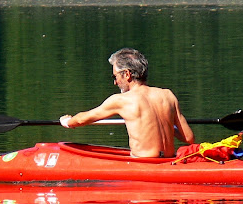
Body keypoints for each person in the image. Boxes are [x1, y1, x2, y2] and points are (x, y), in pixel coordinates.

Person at [59, 48, 195, 158]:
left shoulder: (121, 100)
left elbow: (82, 119)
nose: (115, 82)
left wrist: (67, 121)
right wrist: (166, 124)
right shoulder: (167, 95)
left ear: (127, 74)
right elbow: (188, 138)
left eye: (115, 76)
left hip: (143, 164)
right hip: (168, 161)